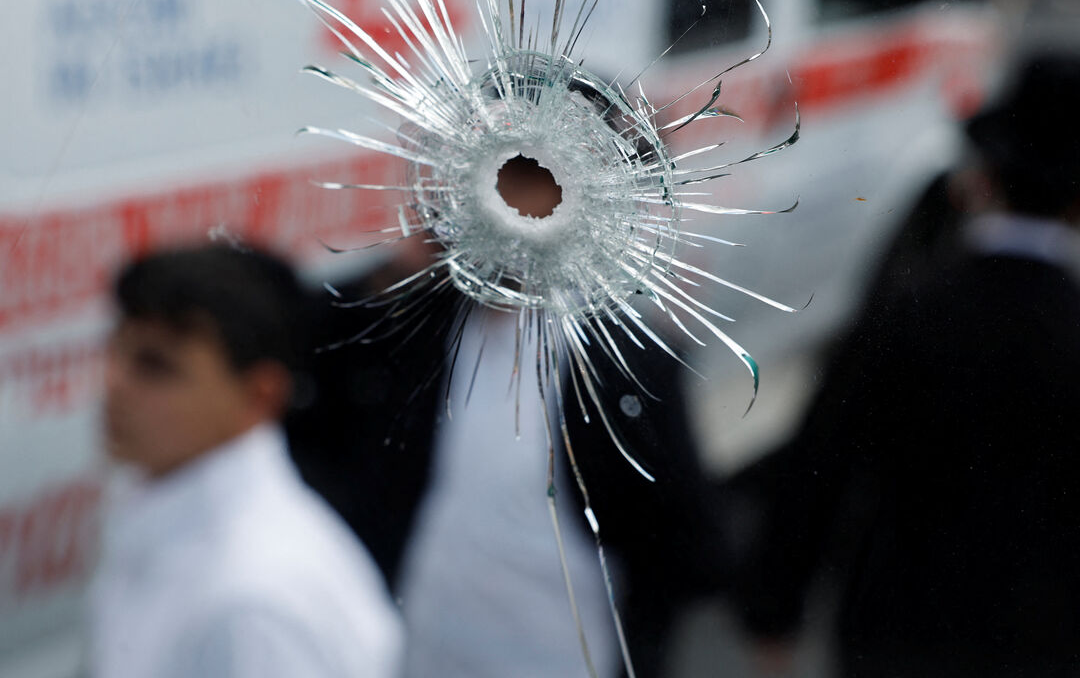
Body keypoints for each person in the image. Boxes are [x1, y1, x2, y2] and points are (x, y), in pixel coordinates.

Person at [734, 52, 1080, 678]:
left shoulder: (908, 314)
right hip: (1047, 644)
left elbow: (820, 463)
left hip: (893, 632)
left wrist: (774, 610)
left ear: (981, 179)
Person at [289, 152, 729, 678]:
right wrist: (390, 272)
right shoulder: (419, 329)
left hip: (562, 655)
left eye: (536, 198)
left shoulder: (622, 364)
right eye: (496, 194)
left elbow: (689, 541)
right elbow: (307, 371)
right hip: (419, 648)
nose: (511, 222)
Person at [89, 244, 402, 678]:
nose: (114, 383)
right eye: (116, 350)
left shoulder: (254, 601)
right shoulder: (157, 505)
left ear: (261, 395)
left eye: (156, 366)